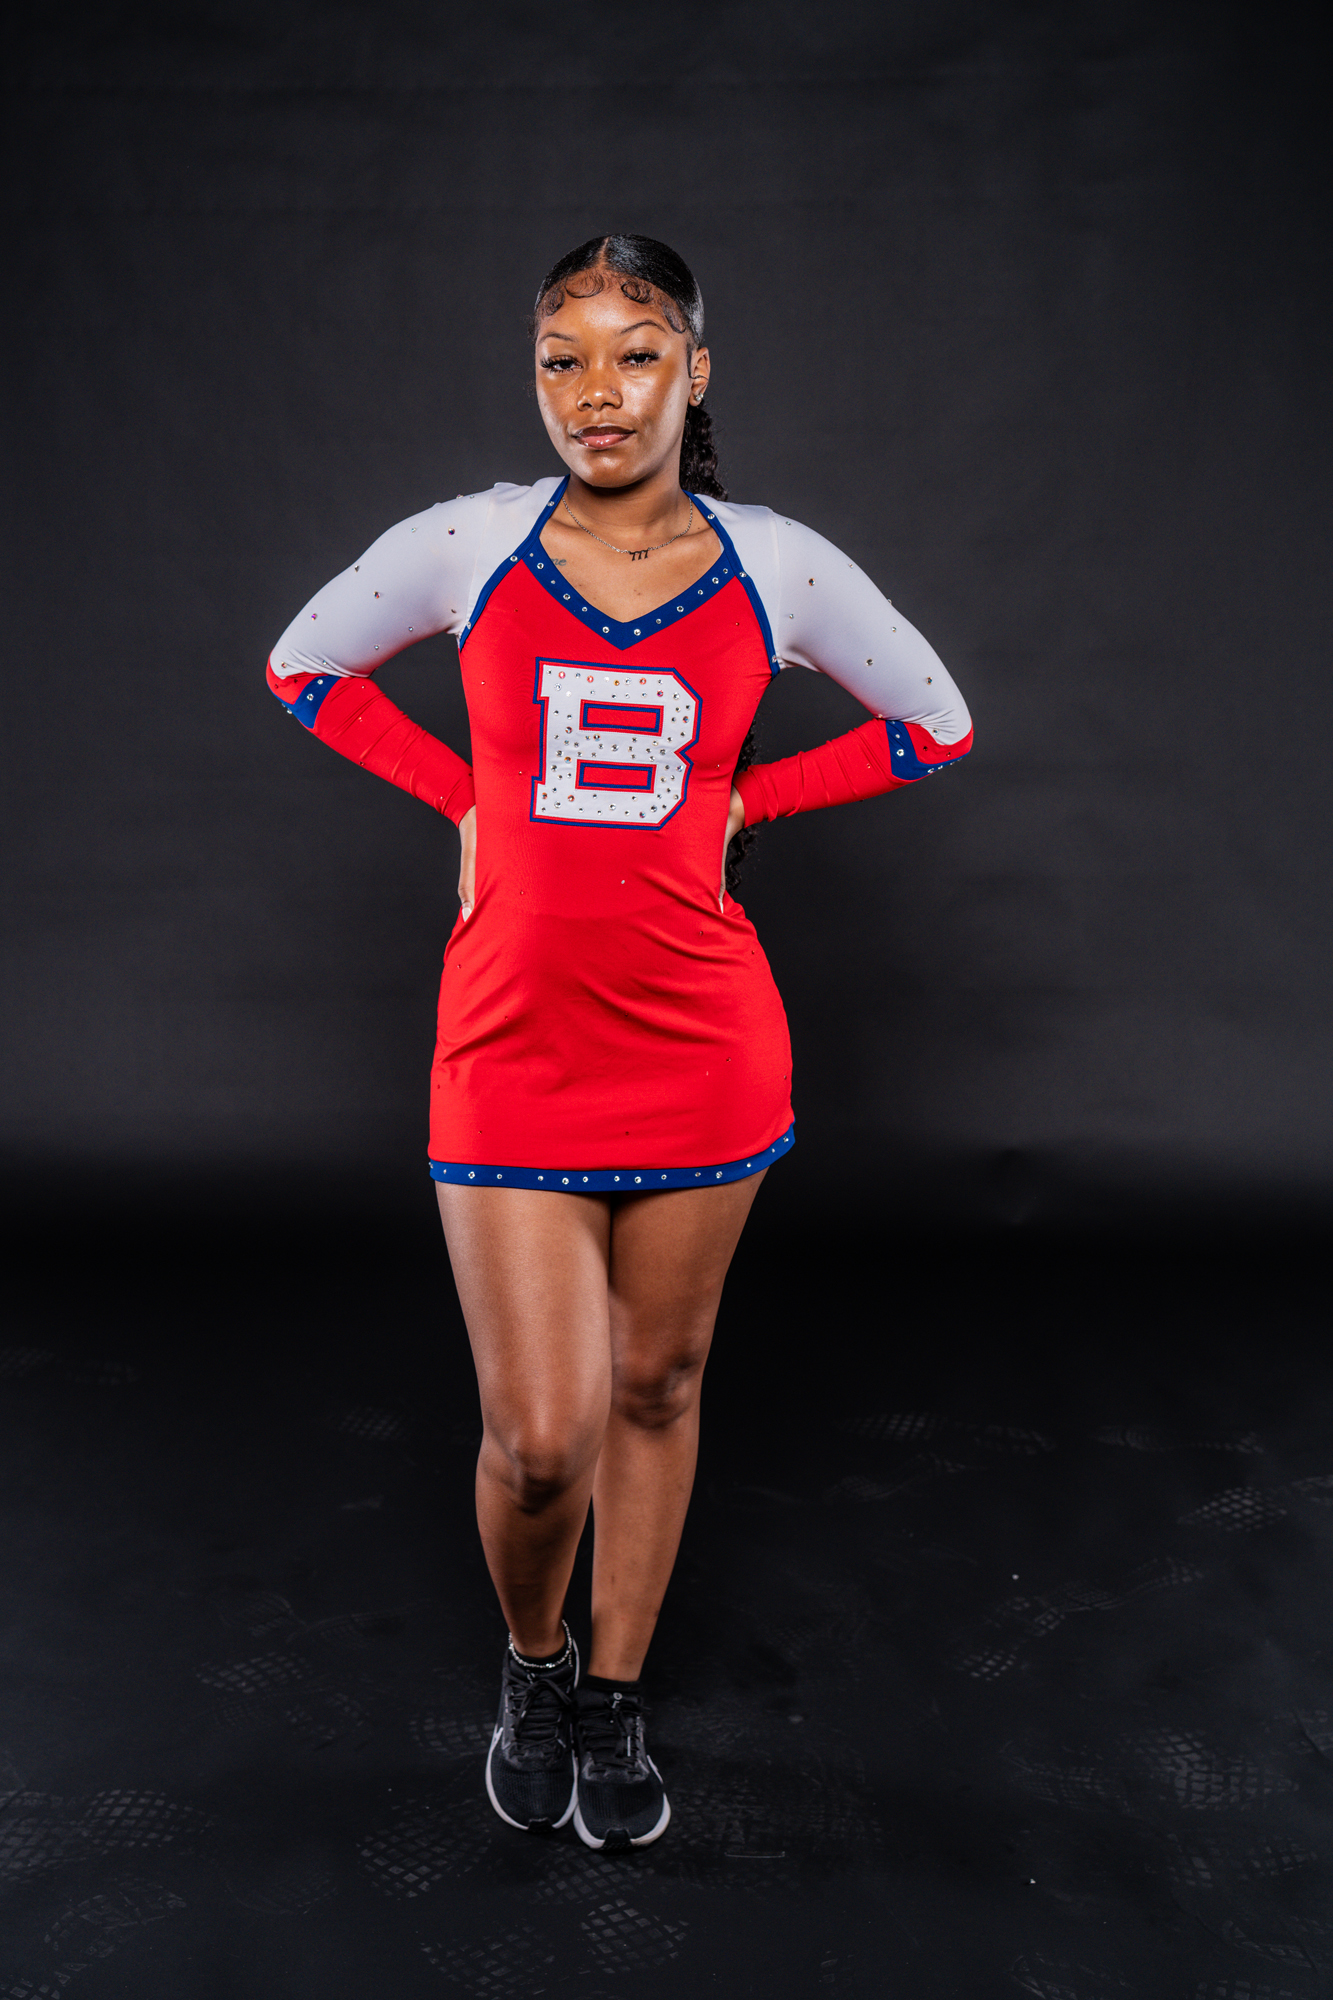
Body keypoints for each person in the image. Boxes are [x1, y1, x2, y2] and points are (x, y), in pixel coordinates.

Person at [266, 234, 972, 1854]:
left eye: (635, 352)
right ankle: (536, 1665)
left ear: (694, 372)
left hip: (702, 1042)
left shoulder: (773, 562)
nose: (596, 389)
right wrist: (461, 794)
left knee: (655, 1383)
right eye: (561, 356)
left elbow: (933, 723)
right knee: (540, 1440)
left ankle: (615, 1697)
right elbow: (302, 665)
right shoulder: (473, 540)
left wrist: (746, 802)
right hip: (508, 1040)